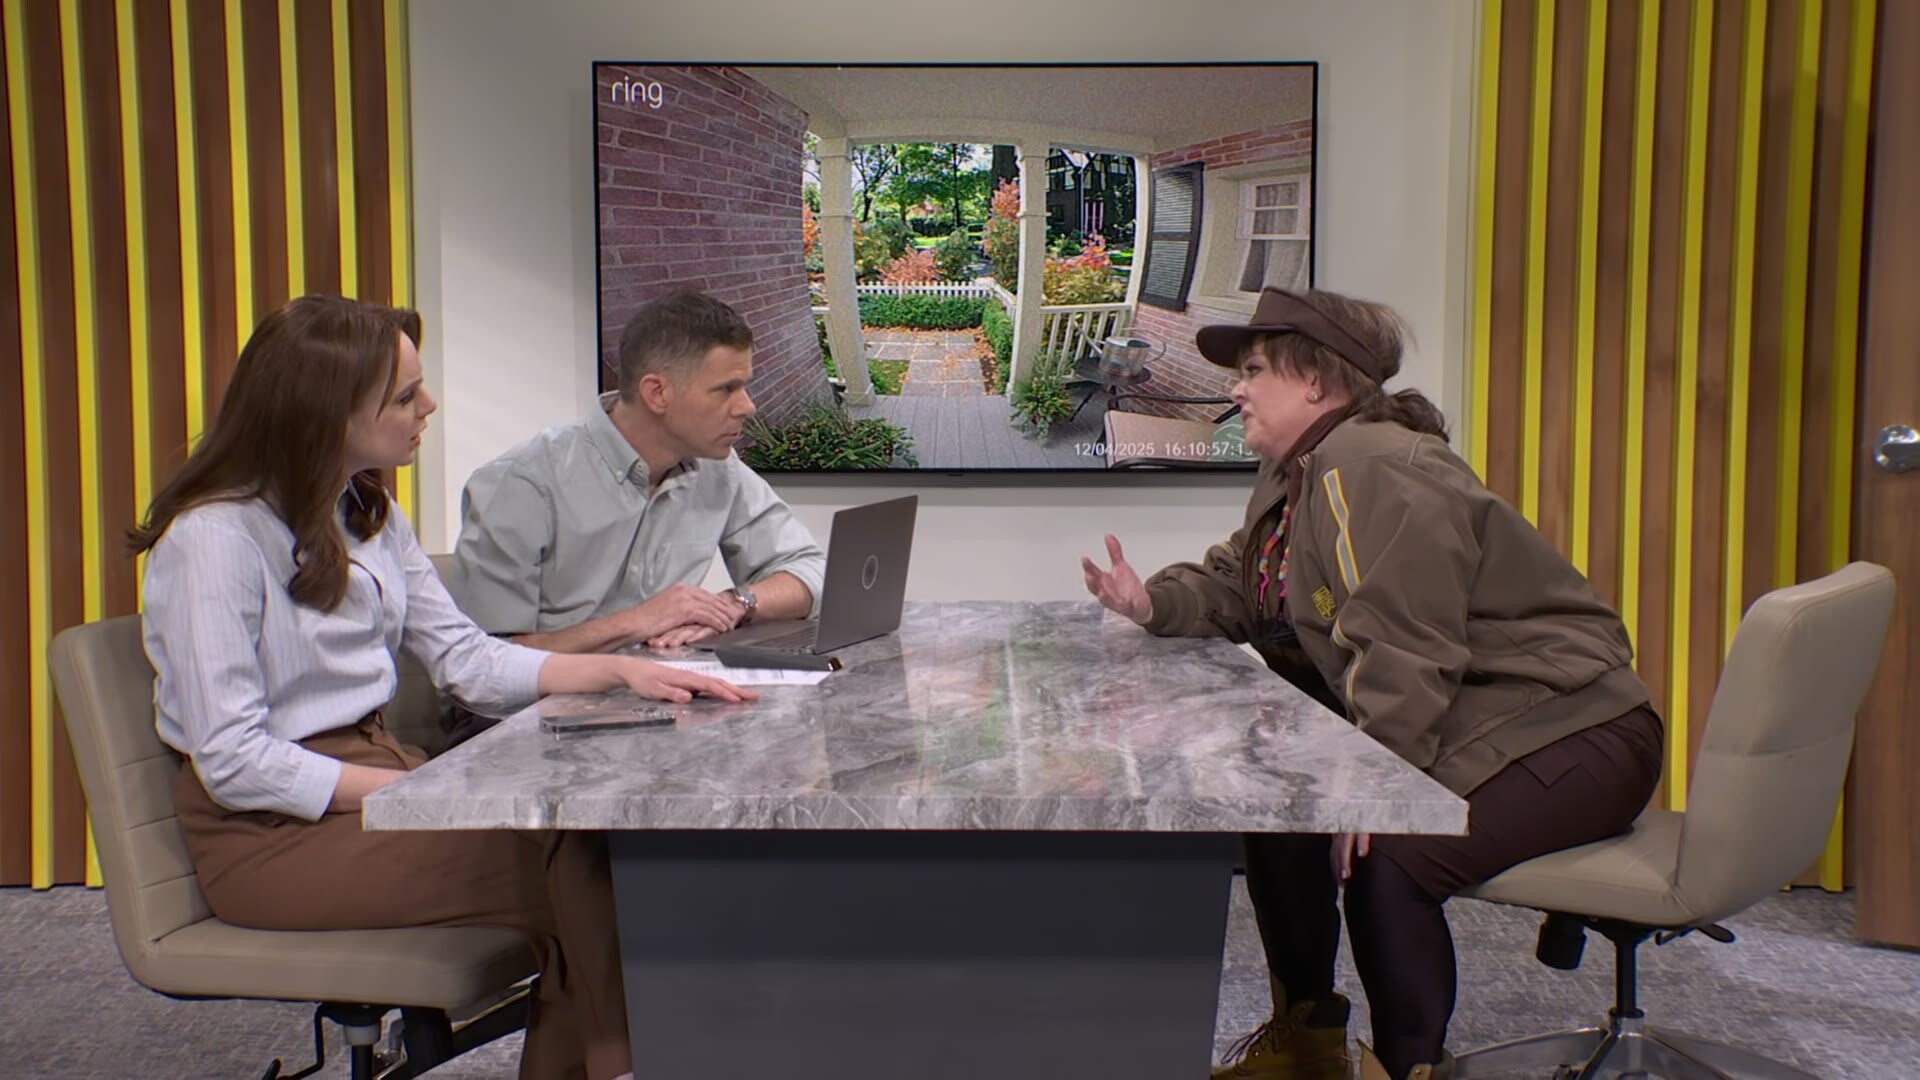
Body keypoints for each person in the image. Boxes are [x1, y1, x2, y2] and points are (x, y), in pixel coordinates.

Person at [131, 295, 756, 1080]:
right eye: (404, 396)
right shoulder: (214, 540)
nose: (428, 405)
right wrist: (425, 792)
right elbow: (233, 760)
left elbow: (468, 660)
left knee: (599, 854)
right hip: (273, 836)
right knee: (596, 868)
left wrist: (622, 667)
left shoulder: (367, 513)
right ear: (324, 414)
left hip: (378, 783)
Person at [1080, 287, 1662, 1080]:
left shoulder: (1376, 466)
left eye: (1255, 370)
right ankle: (1307, 1045)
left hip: (1576, 733)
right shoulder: (1299, 473)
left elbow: (1408, 644)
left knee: (1388, 858)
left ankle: (1406, 1067)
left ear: (1318, 381)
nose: (1237, 389)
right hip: (1481, 723)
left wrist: (1377, 783)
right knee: (1284, 812)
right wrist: (1150, 603)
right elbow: (1243, 583)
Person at [448, 290, 825, 653]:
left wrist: (735, 603)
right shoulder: (524, 483)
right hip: (555, 696)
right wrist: (638, 623)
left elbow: (812, 571)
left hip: (670, 686)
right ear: (657, 393)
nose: (747, 407)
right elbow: (481, 663)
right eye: (726, 389)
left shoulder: (719, 470)